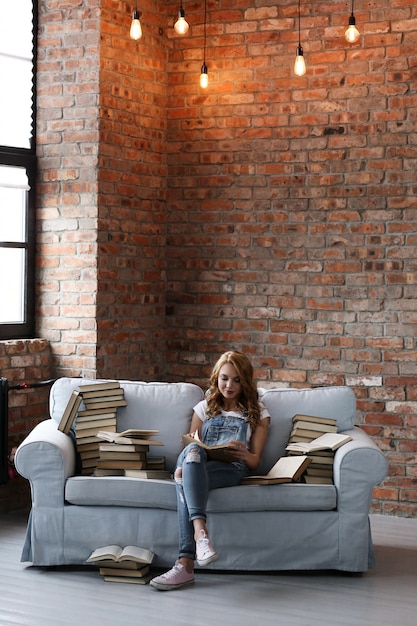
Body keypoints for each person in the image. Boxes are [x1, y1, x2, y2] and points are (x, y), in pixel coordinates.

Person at [150, 350, 270, 591]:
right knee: (192, 455)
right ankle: (201, 535)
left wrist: (243, 453)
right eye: (224, 378)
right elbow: (190, 444)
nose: (229, 385)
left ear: (245, 381)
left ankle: (185, 564)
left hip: (232, 469)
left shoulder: (257, 412)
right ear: (216, 378)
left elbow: (255, 461)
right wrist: (197, 448)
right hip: (199, 464)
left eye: (237, 380)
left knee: (182, 475)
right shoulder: (204, 408)